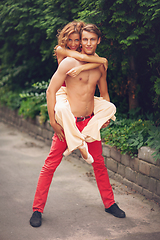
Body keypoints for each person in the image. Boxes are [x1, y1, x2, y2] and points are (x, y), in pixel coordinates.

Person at [29, 23, 126, 228]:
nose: (88, 43)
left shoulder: (100, 66)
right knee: (50, 165)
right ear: (80, 41)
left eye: (92, 39)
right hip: (67, 124)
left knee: (98, 163)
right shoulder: (69, 62)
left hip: (89, 122)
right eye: (85, 39)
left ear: (98, 41)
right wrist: (53, 122)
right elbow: (51, 91)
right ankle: (37, 209)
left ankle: (110, 204)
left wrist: (103, 117)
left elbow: (104, 93)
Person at [53, 21, 116, 163]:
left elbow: (92, 61)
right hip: (63, 91)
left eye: (76, 40)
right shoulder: (61, 50)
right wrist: (102, 60)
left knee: (111, 108)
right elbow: (83, 58)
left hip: (78, 96)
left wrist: (83, 68)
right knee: (62, 109)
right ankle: (78, 143)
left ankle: (78, 140)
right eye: (70, 39)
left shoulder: (85, 56)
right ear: (64, 39)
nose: (73, 43)